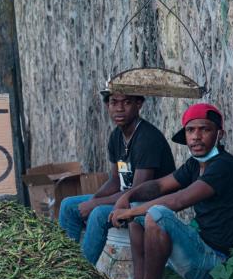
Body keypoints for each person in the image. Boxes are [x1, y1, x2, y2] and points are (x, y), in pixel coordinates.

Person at [110, 103, 233, 279]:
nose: (196, 136)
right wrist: (128, 196)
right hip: (198, 248)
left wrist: (130, 211)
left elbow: (178, 200)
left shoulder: (224, 166)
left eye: (205, 129)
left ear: (219, 134)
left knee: (156, 214)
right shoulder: (195, 164)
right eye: (190, 130)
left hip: (215, 262)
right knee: (141, 207)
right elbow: (159, 185)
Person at [58, 89, 175, 265]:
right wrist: (95, 199)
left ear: (139, 104)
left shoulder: (147, 138)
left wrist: (95, 204)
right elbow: (115, 179)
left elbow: (136, 192)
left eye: (126, 102)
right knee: (68, 205)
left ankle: (80, 274)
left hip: (148, 205)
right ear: (107, 106)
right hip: (123, 197)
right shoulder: (116, 136)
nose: (119, 109)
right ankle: (64, 265)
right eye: (114, 102)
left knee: (98, 214)